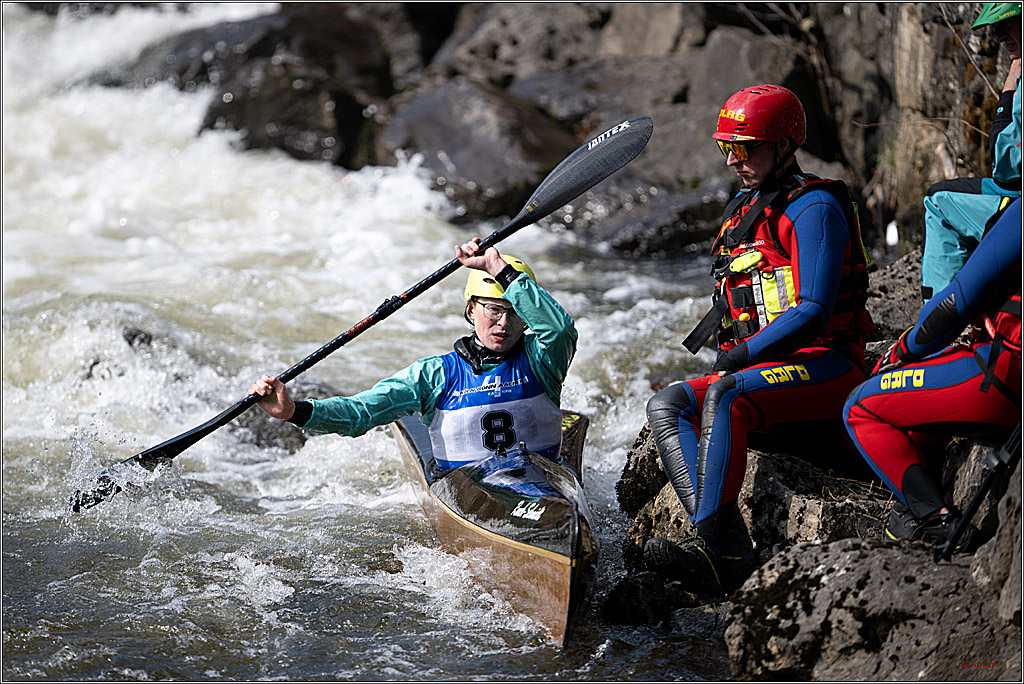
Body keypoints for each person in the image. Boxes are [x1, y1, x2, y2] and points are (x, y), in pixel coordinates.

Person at [643, 84, 875, 596]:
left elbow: (814, 311)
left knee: (725, 393)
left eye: (744, 148)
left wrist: (741, 355)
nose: (732, 160)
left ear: (785, 145)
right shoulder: (746, 210)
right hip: (769, 373)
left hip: (829, 368)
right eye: (726, 147)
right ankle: (726, 546)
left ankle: (710, 551)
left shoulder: (814, 209)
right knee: (667, 404)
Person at [248, 239, 577, 471]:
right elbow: (360, 413)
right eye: (492, 310)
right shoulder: (435, 375)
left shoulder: (542, 361)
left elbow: (559, 329)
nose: (503, 323)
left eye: (515, 312)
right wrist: (293, 411)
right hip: (473, 491)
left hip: (542, 483)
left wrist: (497, 267)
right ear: (471, 309)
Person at [844, 198, 1021, 551]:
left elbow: (958, 301)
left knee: (859, 407)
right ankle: (910, 511)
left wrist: (901, 350)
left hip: (1002, 380)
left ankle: (938, 521)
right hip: (1005, 381)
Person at [920, 2, 1021, 301]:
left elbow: (1007, 166)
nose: (999, 35)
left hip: (1017, 204)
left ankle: (938, 320)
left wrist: (1008, 90)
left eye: (1008, 22)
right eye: (995, 27)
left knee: (938, 202)